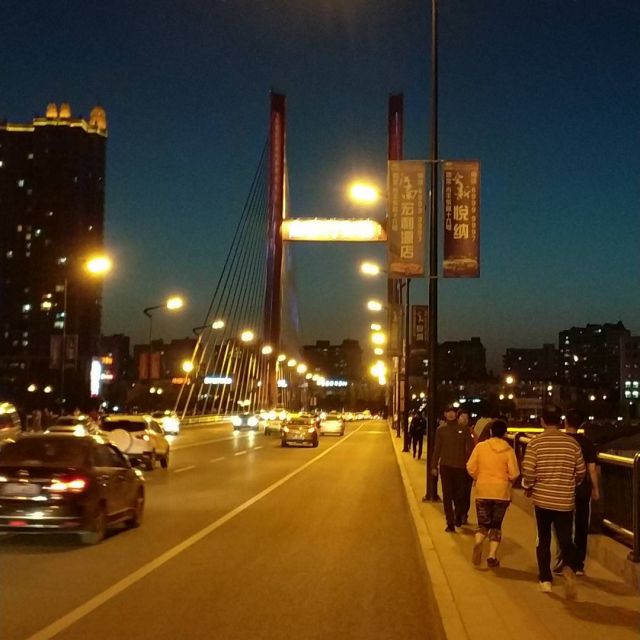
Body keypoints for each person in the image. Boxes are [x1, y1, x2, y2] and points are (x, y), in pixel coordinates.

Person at [522, 404, 586, 598]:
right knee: (565, 538)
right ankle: (569, 567)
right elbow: (581, 472)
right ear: (560, 421)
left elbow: (528, 472)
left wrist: (529, 486)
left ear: (542, 421)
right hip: (565, 500)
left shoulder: (535, 443)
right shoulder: (572, 444)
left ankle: (545, 580)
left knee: (543, 539)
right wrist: (569, 483)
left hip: (542, 500)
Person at [466, 419, 519, 568]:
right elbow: (514, 473)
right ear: (504, 433)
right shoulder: (508, 450)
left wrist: (479, 476)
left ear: (490, 431)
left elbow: (470, 467)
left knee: (483, 523)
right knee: (496, 525)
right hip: (501, 492)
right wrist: (507, 479)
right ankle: (492, 555)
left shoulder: (481, 447)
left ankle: (478, 542)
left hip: (483, 490)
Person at [553, 408, 600, 576]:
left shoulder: (561, 442)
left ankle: (564, 560)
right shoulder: (587, 443)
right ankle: (578, 564)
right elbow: (592, 469)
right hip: (582, 489)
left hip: (562, 488)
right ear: (581, 424)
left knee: (563, 525)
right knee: (581, 525)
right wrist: (595, 489)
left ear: (565, 422)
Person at [431, 404, 474, 531]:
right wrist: (434, 465)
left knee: (460, 495)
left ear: (456, 414)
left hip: (461, 467)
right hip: (445, 466)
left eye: (453, 411)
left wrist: (471, 465)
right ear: (445, 414)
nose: (450, 414)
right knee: (447, 495)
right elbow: (437, 449)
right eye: (448, 411)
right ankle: (449, 522)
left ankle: (458, 515)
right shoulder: (441, 430)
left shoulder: (464, 429)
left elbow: (470, 449)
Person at [457, 408, 475, 523]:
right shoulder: (454, 431)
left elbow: (476, 449)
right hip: (456, 466)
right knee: (457, 491)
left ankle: (464, 514)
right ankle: (458, 512)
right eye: (462, 417)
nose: (464, 420)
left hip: (468, 467)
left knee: (466, 492)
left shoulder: (472, 434)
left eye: (466, 418)